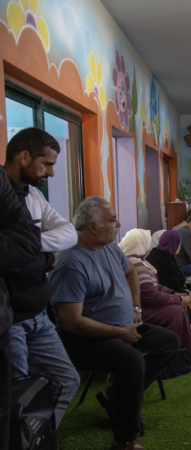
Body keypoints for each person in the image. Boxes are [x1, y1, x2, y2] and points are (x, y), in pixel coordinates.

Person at [49, 197, 179, 450]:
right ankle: (125, 440)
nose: (118, 224)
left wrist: (135, 308)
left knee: (168, 341)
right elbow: (71, 322)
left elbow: (130, 272)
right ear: (93, 227)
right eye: (112, 219)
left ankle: (116, 396)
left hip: (123, 327)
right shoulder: (71, 263)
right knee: (132, 361)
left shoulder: (108, 246)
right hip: (85, 338)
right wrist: (120, 333)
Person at [4, 128, 80, 428]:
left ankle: (36, 441)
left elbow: (69, 233)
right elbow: (8, 257)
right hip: (10, 320)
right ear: (24, 157)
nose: (50, 172)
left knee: (66, 381)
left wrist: (32, 246)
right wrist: (45, 256)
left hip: (39, 314)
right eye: (46, 164)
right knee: (15, 398)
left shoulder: (34, 195)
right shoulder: (3, 195)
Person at [0, 164, 43, 450]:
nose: (50, 172)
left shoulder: (27, 193)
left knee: (10, 408)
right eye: (47, 163)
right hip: (15, 316)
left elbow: (29, 237)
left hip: (6, 319)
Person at [119, 229, 191, 367]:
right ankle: (175, 358)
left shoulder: (140, 260)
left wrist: (174, 294)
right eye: (146, 242)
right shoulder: (134, 263)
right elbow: (150, 295)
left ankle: (182, 353)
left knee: (179, 308)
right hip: (137, 311)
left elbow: (158, 285)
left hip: (142, 307)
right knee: (176, 311)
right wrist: (178, 299)